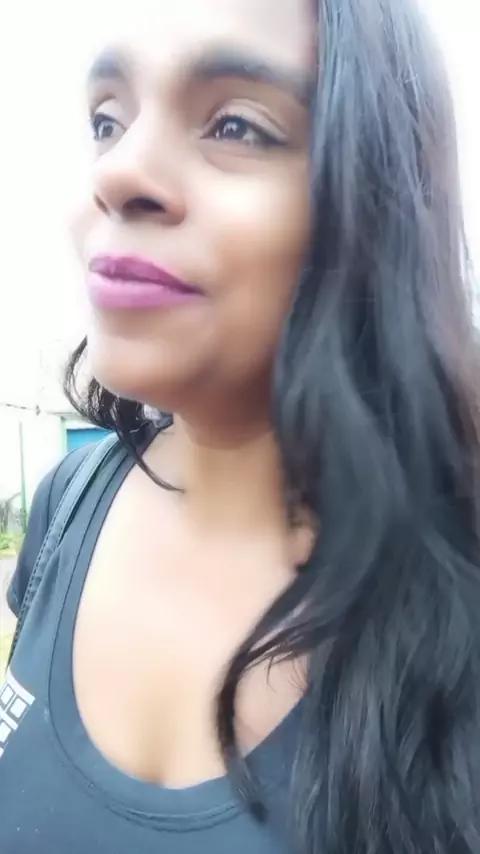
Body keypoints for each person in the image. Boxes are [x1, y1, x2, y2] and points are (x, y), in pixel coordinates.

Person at [1, 0, 479, 851]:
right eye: (108, 120)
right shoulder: (66, 506)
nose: (119, 171)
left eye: (235, 126)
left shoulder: (458, 603)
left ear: (380, 204)